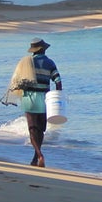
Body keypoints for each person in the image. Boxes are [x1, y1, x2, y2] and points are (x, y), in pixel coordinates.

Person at [21, 38, 63, 167]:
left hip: (29, 99)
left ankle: (39, 156)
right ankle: (36, 157)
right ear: (43, 49)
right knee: (41, 130)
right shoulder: (50, 63)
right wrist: (57, 98)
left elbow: (20, 81)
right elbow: (58, 81)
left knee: (32, 129)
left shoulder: (27, 63)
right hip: (44, 99)